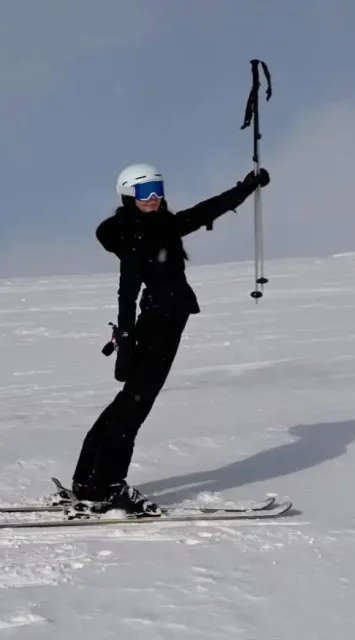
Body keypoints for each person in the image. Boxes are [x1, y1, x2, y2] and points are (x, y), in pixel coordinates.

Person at [67, 161, 270, 515]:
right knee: (134, 406)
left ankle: (88, 480)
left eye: (158, 189)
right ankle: (109, 486)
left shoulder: (163, 226)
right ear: (128, 196)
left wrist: (245, 188)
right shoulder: (135, 237)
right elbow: (127, 291)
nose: (154, 198)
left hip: (162, 323)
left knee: (127, 403)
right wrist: (126, 335)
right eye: (145, 192)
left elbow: (204, 211)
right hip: (157, 327)